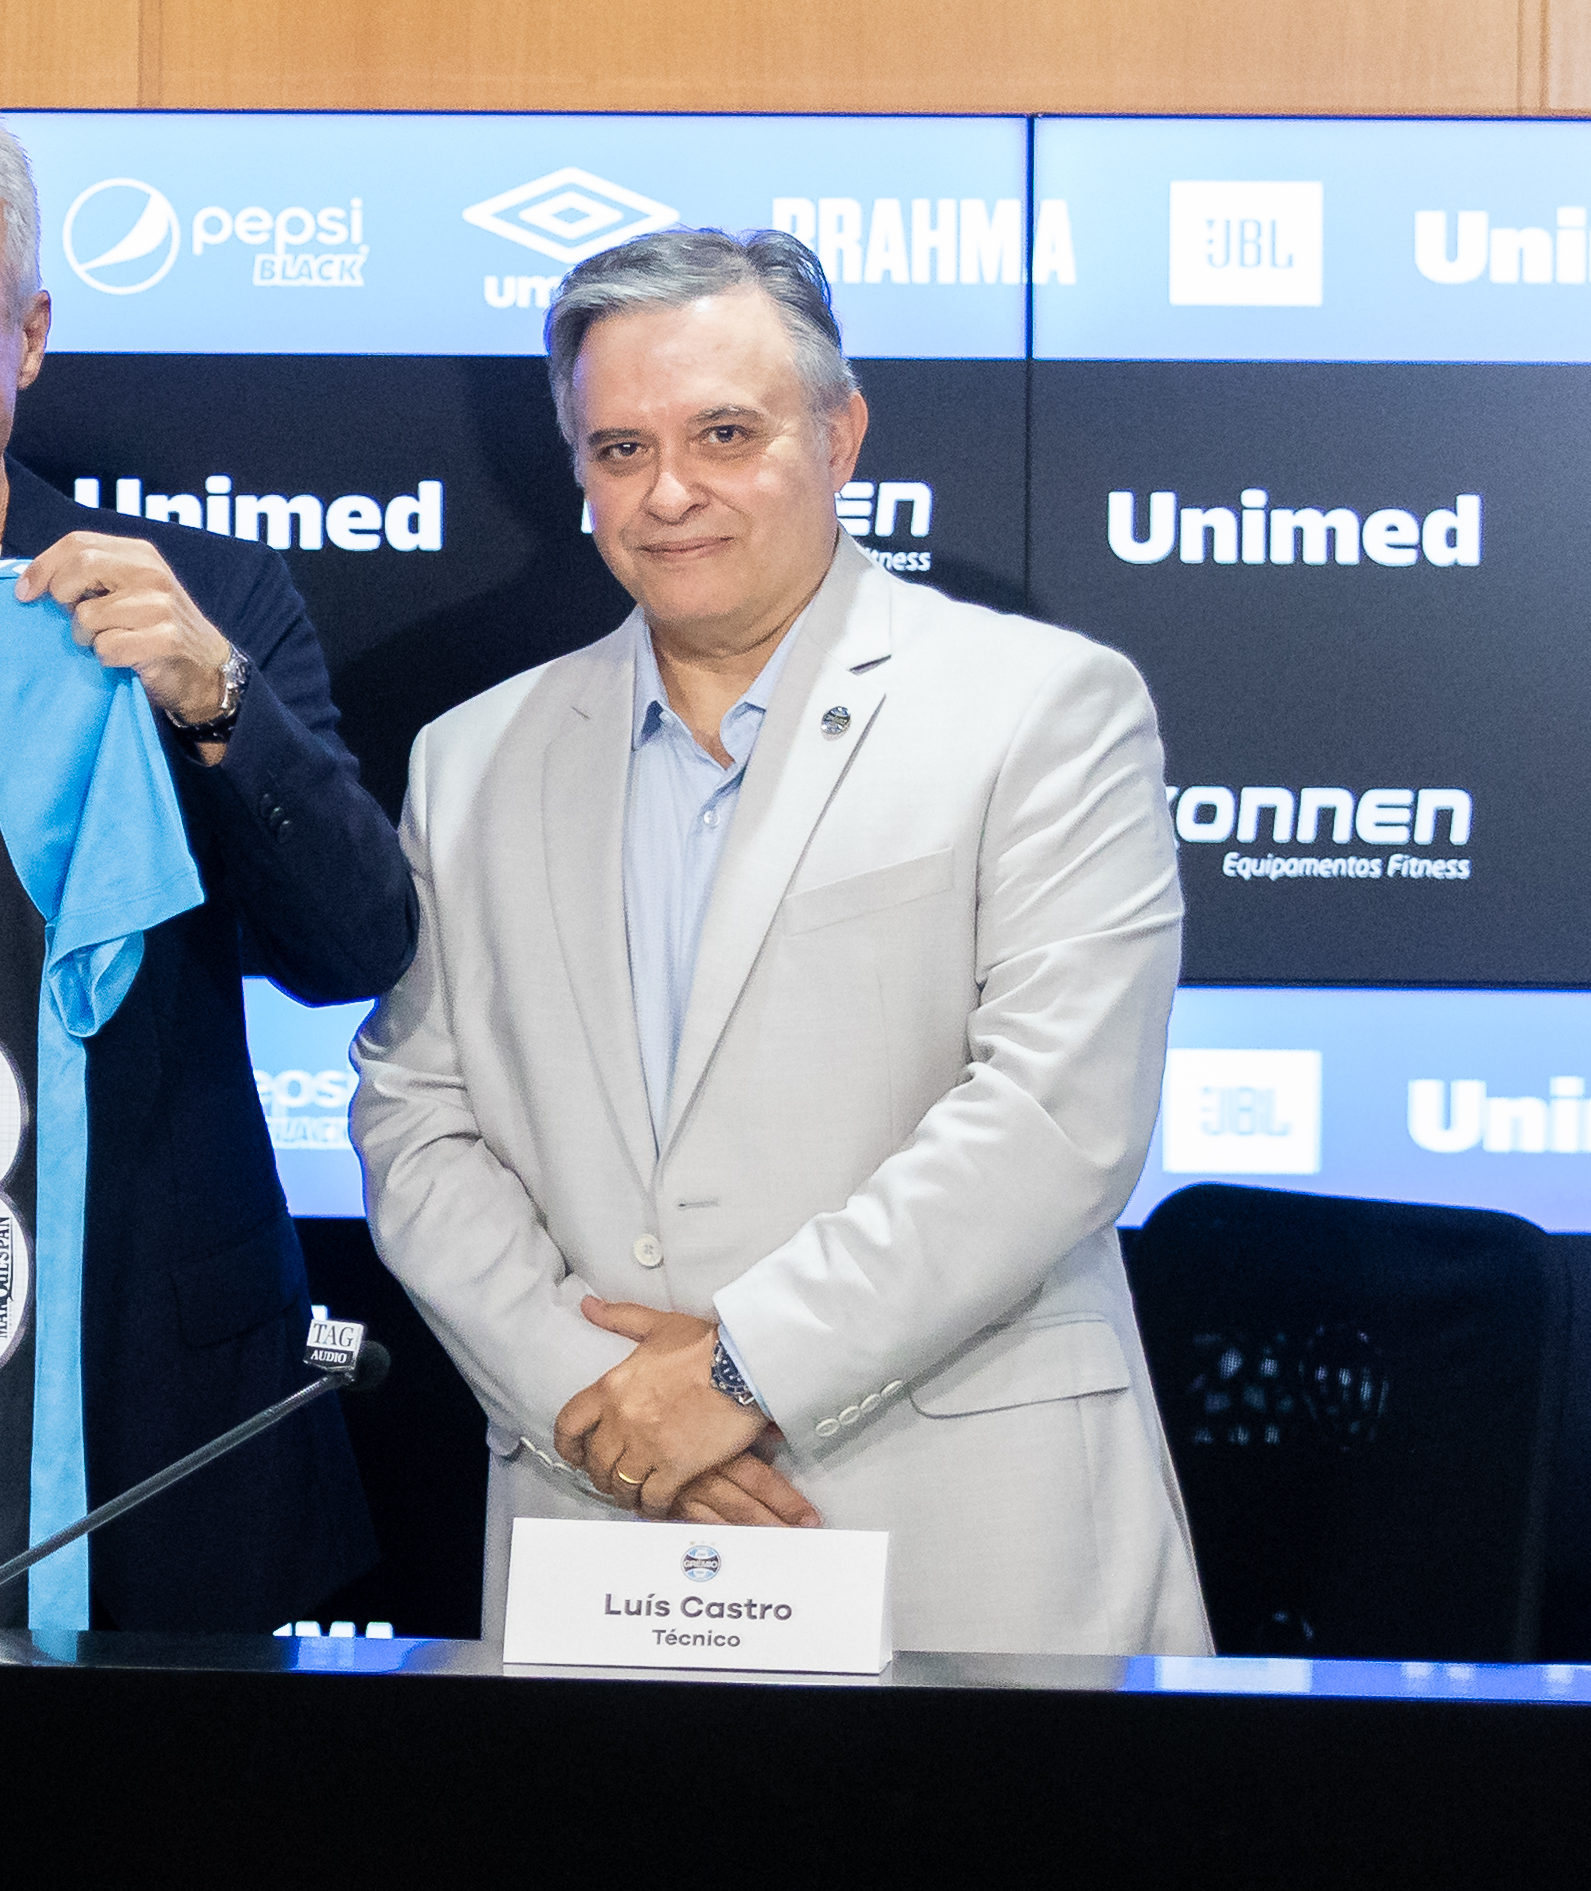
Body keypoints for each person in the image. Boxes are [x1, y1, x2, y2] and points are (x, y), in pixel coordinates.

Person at [353, 228, 1207, 1653]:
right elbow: (414, 1114)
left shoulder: (1045, 707)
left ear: (841, 434)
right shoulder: (472, 755)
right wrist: (592, 1397)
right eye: (620, 448)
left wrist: (737, 1374)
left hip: (955, 1530)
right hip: (605, 1519)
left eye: (725, 434)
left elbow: (1056, 1114)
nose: (668, 491)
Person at [0, 90, 411, 1630]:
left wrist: (215, 700)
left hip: (148, 1417)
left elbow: (356, 944)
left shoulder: (203, 602)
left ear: (30, 336)